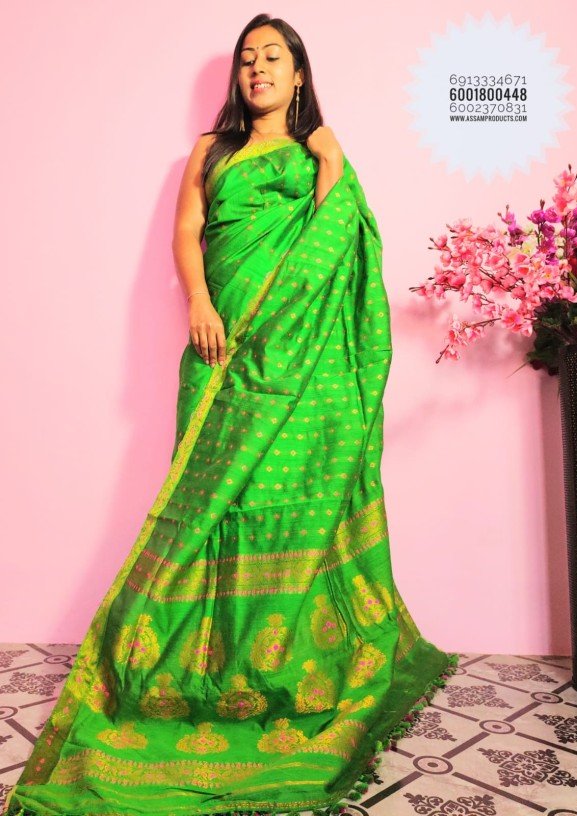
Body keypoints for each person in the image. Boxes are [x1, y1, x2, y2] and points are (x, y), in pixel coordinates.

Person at [3, 13, 458, 816]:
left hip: (299, 365)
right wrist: (200, 303)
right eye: (248, 58)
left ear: (299, 74)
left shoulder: (320, 153)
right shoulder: (210, 152)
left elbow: (339, 247)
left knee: (288, 503)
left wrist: (331, 156)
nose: (258, 69)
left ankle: (279, 663)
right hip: (220, 352)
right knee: (207, 505)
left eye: (273, 57)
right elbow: (187, 234)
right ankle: (189, 666)